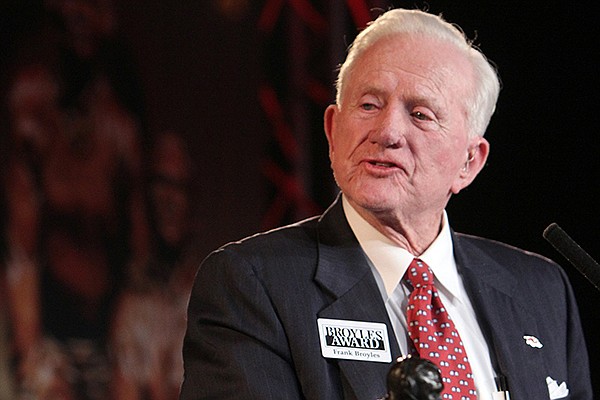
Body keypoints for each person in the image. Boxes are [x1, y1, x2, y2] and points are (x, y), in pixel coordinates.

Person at [180, 8, 592, 400]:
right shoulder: (255, 285)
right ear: (332, 131)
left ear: (470, 162)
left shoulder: (539, 289)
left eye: (420, 114)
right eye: (369, 105)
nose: (388, 131)